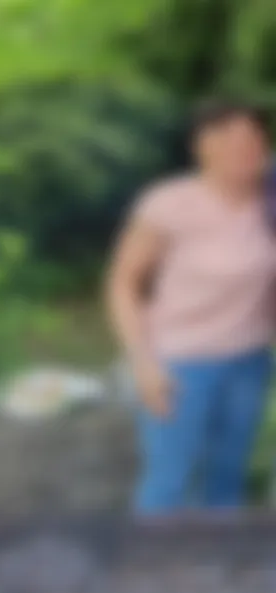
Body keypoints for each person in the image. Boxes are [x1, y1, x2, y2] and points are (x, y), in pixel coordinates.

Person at [106, 100, 276, 514]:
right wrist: (143, 363)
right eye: (230, 140)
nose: (246, 150)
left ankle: (218, 567)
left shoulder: (270, 203)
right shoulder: (169, 203)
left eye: (254, 139)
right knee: (169, 481)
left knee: (227, 475)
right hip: (180, 365)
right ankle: (147, 568)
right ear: (202, 147)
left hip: (250, 362)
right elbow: (122, 284)